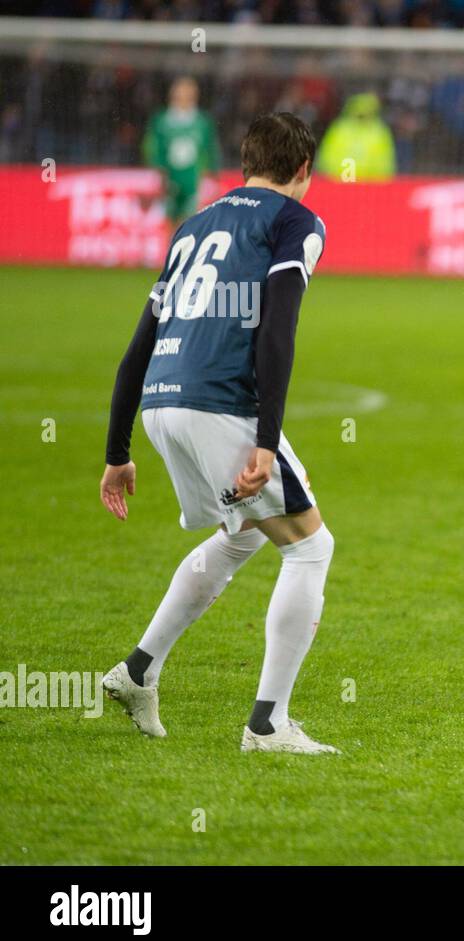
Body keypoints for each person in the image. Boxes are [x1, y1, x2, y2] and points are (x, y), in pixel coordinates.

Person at [99, 113, 338, 755]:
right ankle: (267, 725)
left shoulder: (194, 225)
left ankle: (138, 671)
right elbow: (276, 329)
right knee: (311, 549)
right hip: (219, 403)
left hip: (159, 404)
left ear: (243, 162)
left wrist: (116, 452)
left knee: (240, 538)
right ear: (304, 170)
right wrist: (266, 438)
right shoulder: (295, 221)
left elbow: (136, 348)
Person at [143, 76, 220, 232]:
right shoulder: (162, 120)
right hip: (170, 177)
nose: (184, 95)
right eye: (180, 91)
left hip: (193, 179)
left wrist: (210, 172)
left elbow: (210, 148)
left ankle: (186, 254)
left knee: (190, 221)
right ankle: (170, 253)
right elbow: (152, 146)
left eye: (188, 92)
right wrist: (158, 168)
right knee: (170, 219)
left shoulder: (202, 122)